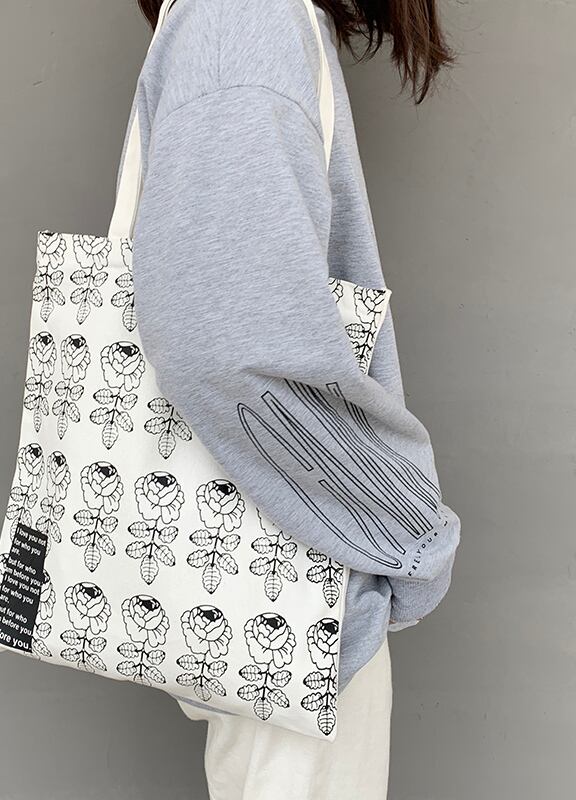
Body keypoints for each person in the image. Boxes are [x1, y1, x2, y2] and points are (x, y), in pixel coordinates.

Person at [124, 1, 461, 797]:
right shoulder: (247, 19)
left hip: (271, 580)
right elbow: (219, 347)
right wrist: (407, 536)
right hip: (301, 596)